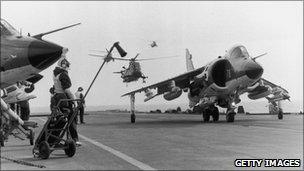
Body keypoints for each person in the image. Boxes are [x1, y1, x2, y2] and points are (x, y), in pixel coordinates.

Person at [52, 50, 81, 146]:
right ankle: (74, 139)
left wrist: (63, 53)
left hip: (57, 98)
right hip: (64, 99)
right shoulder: (64, 74)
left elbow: (61, 60)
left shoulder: (56, 73)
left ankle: (55, 139)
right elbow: (67, 90)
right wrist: (74, 101)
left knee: (60, 120)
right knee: (71, 118)